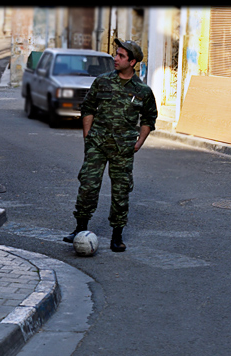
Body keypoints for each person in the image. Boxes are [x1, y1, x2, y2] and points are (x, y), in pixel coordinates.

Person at [63, 39, 158, 252]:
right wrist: (88, 136)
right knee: (88, 185)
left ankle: (117, 235)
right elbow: (88, 107)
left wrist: (139, 142)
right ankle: (80, 228)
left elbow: (149, 118)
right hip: (97, 143)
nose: (116, 59)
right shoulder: (102, 82)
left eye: (121, 56)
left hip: (123, 148)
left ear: (132, 62)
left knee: (121, 191)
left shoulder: (142, 90)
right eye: (116, 54)